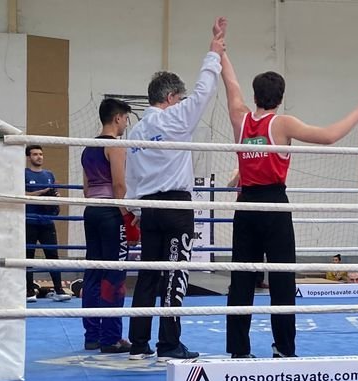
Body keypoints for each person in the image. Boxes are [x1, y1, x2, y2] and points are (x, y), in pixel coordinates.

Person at [220, 23, 358, 358]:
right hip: (273, 204)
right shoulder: (283, 123)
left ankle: (238, 351)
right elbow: (328, 137)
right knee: (281, 280)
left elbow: (230, 85)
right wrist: (357, 115)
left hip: (246, 206)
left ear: (256, 95)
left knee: (242, 279)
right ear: (280, 98)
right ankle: (284, 349)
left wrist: (220, 50)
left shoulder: (240, 119)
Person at [124, 17, 226, 361]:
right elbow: (204, 92)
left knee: (148, 276)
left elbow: (131, 175)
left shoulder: (137, 132)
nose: (182, 101)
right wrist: (213, 52)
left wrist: (134, 209)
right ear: (170, 97)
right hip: (175, 206)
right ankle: (169, 344)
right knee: (174, 275)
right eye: (178, 98)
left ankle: (138, 343)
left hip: (148, 208)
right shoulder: (175, 118)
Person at [81, 98, 139, 353]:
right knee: (114, 273)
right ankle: (112, 338)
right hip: (111, 213)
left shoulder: (88, 148)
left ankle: (92, 335)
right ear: (117, 118)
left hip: (92, 210)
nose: (126, 123)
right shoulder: (115, 146)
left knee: (93, 273)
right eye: (125, 118)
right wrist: (127, 215)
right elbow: (119, 185)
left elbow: (86, 189)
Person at [25, 145, 71, 302]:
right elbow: (18, 194)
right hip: (29, 220)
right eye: (35, 154)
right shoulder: (23, 174)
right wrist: (40, 194)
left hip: (47, 221)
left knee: (52, 255)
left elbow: (55, 193)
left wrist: (54, 197)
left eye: (41, 154)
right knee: (28, 256)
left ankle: (58, 290)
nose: (39, 157)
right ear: (28, 157)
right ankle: (29, 291)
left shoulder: (49, 174)